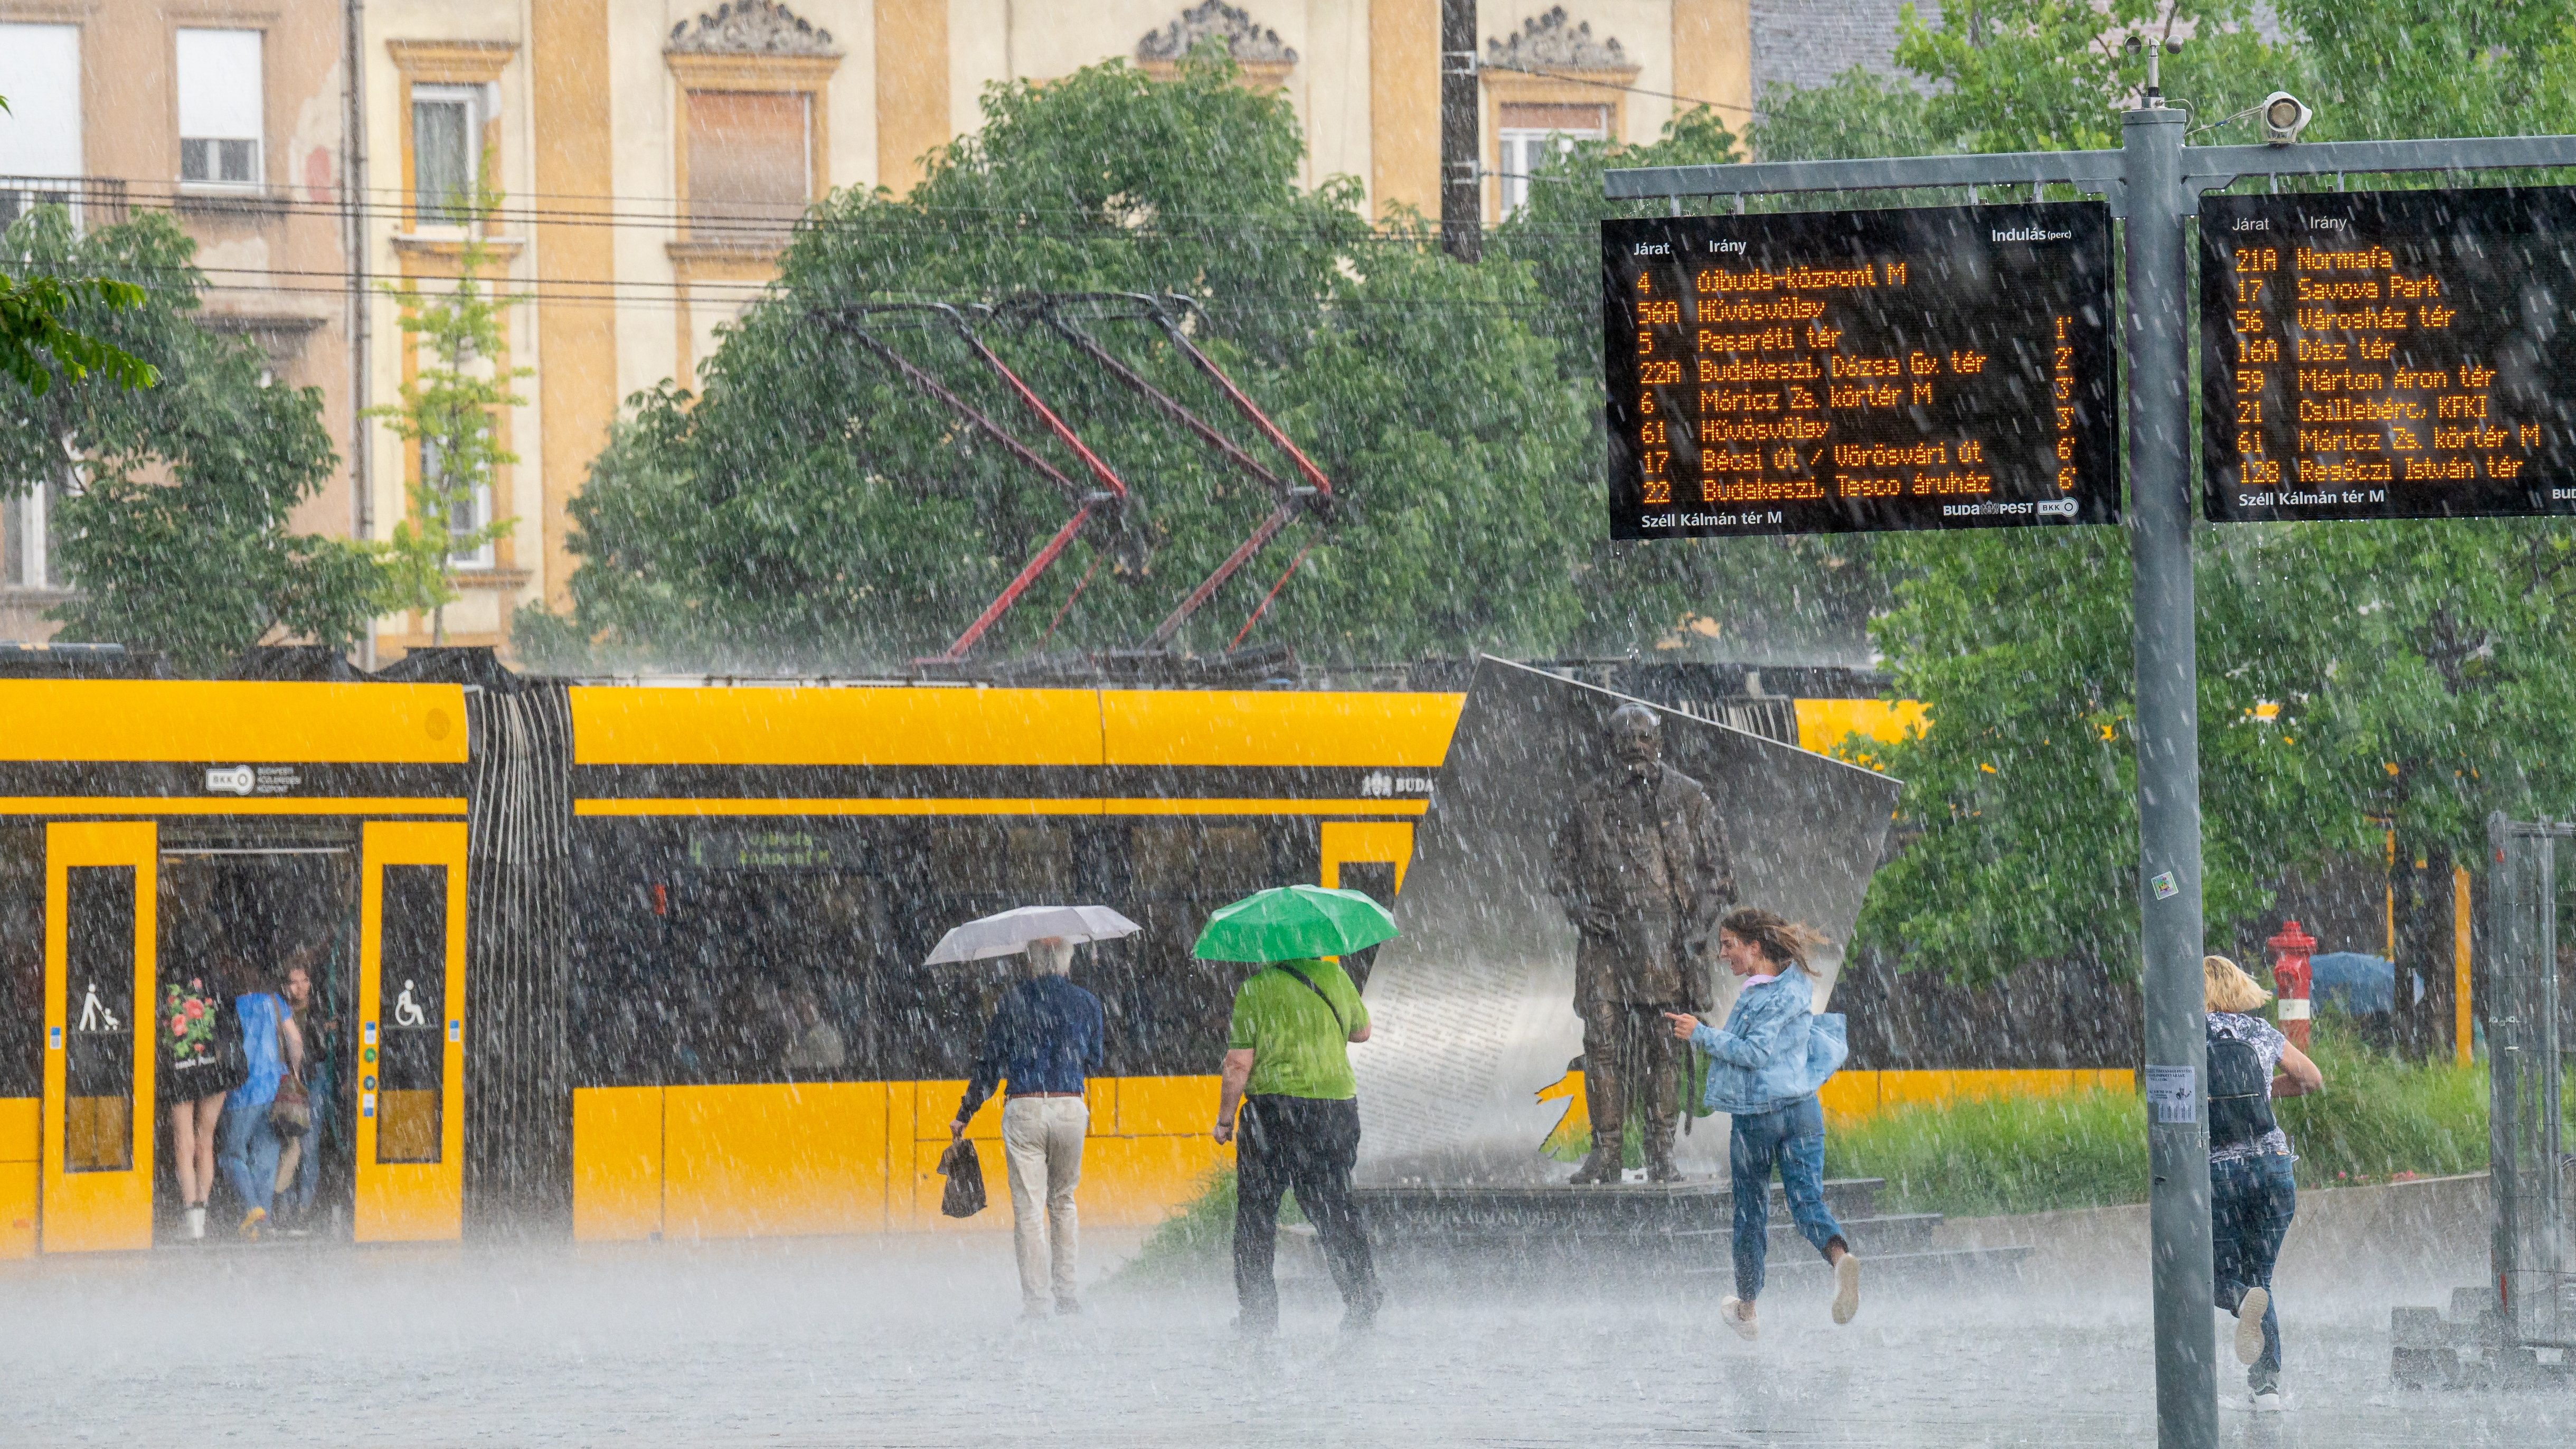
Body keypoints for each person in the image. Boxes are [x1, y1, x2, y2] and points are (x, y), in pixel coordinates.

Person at [1551, 702, 1735, 1184]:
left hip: (1666, 941)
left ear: (1659, 742)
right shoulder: (1587, 802)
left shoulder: (1690, 799)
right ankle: (1606, 1152)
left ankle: (1661, 1153)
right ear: (1610, 747)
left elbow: (1720, 877)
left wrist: (1697, 928)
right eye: (1625, 740)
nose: (1635, 747)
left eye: (1643, 739)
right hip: (1605, 942)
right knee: (1601, 1045)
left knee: (1664, 1047)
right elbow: (1559, 873)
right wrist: (1579, 908)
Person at [1664, 908, 1856, 1340]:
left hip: (1758, 1118)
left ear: (1755, 947)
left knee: (1750, 1214)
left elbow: (1753, 1053)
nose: (1722, 954)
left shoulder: (1762, 997)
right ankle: (1840, 1258)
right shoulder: (1795, 987)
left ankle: (1747, 1310)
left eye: (1729, 944)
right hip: (1803, 1111)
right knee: (1806, 1202)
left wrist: (1699, 1033)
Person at [1214, 951, 1383, 1336]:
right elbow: (1362, 1032)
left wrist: (1225, 1120)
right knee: (1334, 1207)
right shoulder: (1335, 978)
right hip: (1334, 1110)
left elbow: (1238, 1063)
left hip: (1274, 1114)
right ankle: (1362, 1295)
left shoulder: (1255, 989)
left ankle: (1258, 1314)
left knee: (1257, 1217)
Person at [952, 937, 1105, 1318]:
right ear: (1068, 961)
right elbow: (1096, 1060)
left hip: (1023, 1109)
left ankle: (1036, 1303)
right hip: (1070, 1105)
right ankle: (1068, 1295)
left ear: (1031, 963)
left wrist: (965, 1112)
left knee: (1029, 1210)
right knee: (1064, 1202)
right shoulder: (1087, 1002)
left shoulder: (1012, 1002)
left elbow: (989, 1065)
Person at [2205, 953, 2323, 1412]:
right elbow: (2311, 1079)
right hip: (2274, 1168)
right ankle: (2267, 1388)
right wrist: (2262, 1088)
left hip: (2221, 1173)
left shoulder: (2187, 1035)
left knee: (2211, 1278)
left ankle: (2237, 1301)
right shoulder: (2258, 1032)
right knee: (2263, 1279)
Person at [214, 968, 303, 1241]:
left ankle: (253, 1209)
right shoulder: (275, 1001)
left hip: (241, 1091)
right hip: (272, 1089)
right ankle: (261, 1224)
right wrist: (295, 1073)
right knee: (266, 1158)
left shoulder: (229, 1006)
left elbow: (220, 1050)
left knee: (231, 1155)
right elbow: (296, 1040)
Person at [161, 964, 246, 1240]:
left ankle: (192, 1221)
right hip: (214, 1069)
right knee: (205, 1141)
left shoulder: (165, 985)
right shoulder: (219, 982)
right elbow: (234, 1029)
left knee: (183, 1144)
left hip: (180, 1069)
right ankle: (203, 1215)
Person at [270, 956, 330, 1234]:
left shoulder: (321, 1011)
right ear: (285, 985)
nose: (300, 987)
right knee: (288, 1143)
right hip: (287, 1080)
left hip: (314, 1079)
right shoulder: (280, 1011)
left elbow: (328, 1050)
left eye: (304, 980)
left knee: (309, 1145)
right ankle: (285, 1209)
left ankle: (303, 1210)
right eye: (294, 982)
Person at [782, 989, 847, 1073]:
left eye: (810, 1002)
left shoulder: (830, 1035)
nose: (807, 1007)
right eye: (802, 1004)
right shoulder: (797, 1037)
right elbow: (789, 1063)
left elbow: (833, 1064)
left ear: (817, 1005)